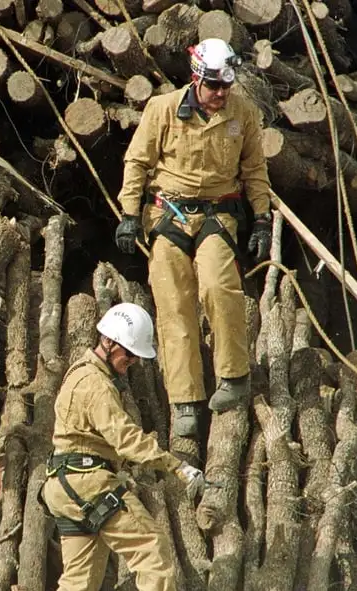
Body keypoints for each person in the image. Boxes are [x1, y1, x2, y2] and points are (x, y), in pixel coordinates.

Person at [114, 37, 274, 440]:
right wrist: (129, 214)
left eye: (226, 87)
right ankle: (185, 400)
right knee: (173, 301)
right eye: (213, 86)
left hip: (218, 213)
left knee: (220, 286)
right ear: (196, 79)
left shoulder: (244, 114)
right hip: (169, 213)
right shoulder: (163, 110)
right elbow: (137, 162)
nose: (220, 94)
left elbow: (254, 169)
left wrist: (261, 219)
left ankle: (234, 376)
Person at [42, 303, 205, 591]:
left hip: (64, 485)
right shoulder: (97, 385)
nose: (131, 364)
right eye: (129, 356)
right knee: (149, 543)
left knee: (80, 579)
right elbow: (127, 440)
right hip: (89, 482)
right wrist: (178, 467)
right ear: (110, 343)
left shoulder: (79, 372)